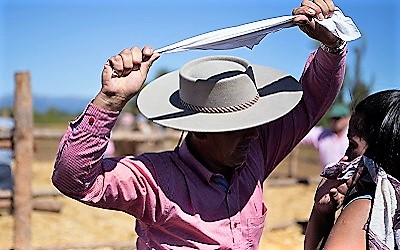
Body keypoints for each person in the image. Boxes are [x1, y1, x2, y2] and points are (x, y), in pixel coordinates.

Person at [52, 1, 349, 248]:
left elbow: (310, 103)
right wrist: (110, 100)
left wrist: (333, 46)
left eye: (254, 121)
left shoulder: (254, 155)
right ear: (203, 130)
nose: (254, 133)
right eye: (240, 126)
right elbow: (75, 180)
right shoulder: (155, 180)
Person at [304, 90, 400, 249]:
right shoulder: (323, 136)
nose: (345, 158)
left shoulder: (365, 208)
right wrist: (322, 214)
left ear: (380, 150)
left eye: (352, 145)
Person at [300, 103, 350, 169]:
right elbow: (301, 133)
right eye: (333, 118)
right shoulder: (322, 135)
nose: (335, 121)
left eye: (338, 118)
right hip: (328, 178)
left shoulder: (355, 136)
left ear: (348, 118)